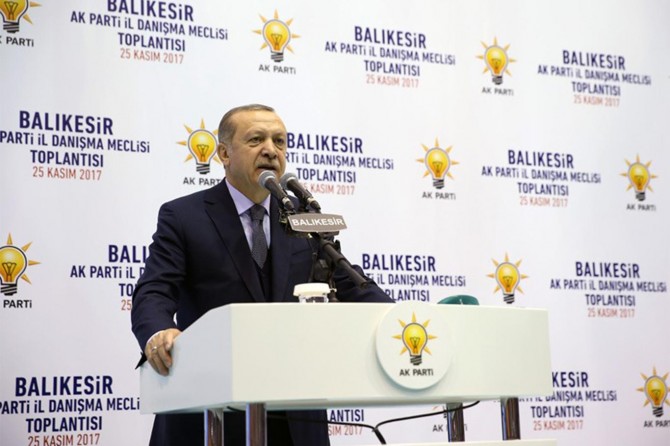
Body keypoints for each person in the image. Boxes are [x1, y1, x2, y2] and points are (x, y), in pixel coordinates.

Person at [131, 104, 393, 446]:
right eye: (256, 139)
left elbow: (348, 280)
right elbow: (154, 290)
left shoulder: (302, 216)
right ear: (224, 153)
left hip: (295, 414)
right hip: (213, 408)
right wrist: (158, 332)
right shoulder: (184, 216)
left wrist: (400, 320)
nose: (271, 150)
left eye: (279, 141)